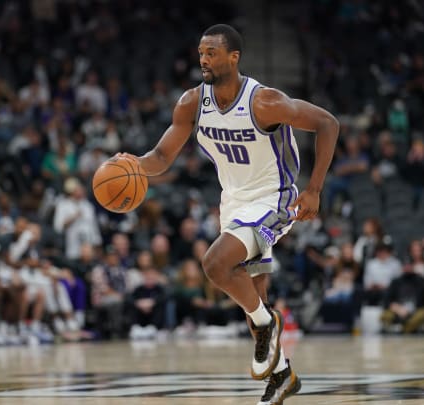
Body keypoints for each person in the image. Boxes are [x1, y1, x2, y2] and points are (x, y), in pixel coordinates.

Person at [121, 24, 339, 404]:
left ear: (233, 57)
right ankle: (284, 376)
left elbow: (327, 123)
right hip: (234, 200)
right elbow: (160, 157)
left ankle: (268, 325)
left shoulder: (264, 101)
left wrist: (314, 189)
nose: (203, 59)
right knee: (248, 292)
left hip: (274, 197)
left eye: (211, 53)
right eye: (201, 52)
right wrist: (133, 165)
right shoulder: (192, 102)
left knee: (215, 264)